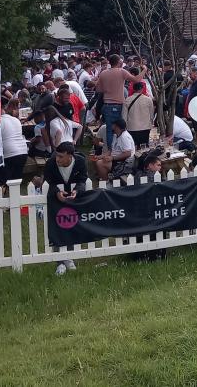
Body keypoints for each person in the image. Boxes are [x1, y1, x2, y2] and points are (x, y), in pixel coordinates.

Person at [42, 141, 87, 275]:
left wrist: (77, 191)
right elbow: (48, 181)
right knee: (57, 228)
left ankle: (69, 258)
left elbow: (83, 179)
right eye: (57, 155)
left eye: (61, 156)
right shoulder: (50, 163)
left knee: (71, 226)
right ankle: (59, 262)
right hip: (55, 200)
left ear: (70, 155)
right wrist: (56, 192)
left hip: (72, 199)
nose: (57, 159)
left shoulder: (80, 161)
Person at [95, 54, 144, 149]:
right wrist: (144, 70)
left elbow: (98, 89)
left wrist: (108, 88)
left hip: (107, 105)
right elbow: (137, 80)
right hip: (117, 104)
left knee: (109, 129)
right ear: (118, 62)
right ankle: (118, 149)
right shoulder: (121, 72)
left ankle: (110, 150)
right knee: (120, 129)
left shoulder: (103, 73)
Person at [0, 98, 29, 183]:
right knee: (16, 179)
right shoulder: (16, 120)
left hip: (10, 153)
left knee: (6, 179)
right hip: (23, 151)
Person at [122, 81, 154, 148]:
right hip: (145, 128)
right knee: (144, 148)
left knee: (134, 147)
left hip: (132, 128)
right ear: (142, 88)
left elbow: (124, 117)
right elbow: (152, 115)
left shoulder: (127, 100)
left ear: (133, 89)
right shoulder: (148, 100)